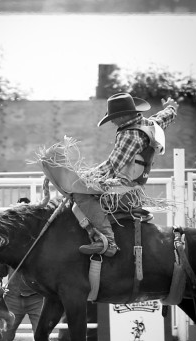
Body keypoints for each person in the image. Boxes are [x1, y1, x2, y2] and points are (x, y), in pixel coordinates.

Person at [73, 92, 179, 257]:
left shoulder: (129, 135)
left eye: (113, 117)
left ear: (123, 116)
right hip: (132, 189)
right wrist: (171, 108)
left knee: (81, 195)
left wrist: (80, 178)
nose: (112, 121)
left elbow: (111, 166)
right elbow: (163, 117)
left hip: (123, 191)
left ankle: (108, 241)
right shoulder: (148, 124)